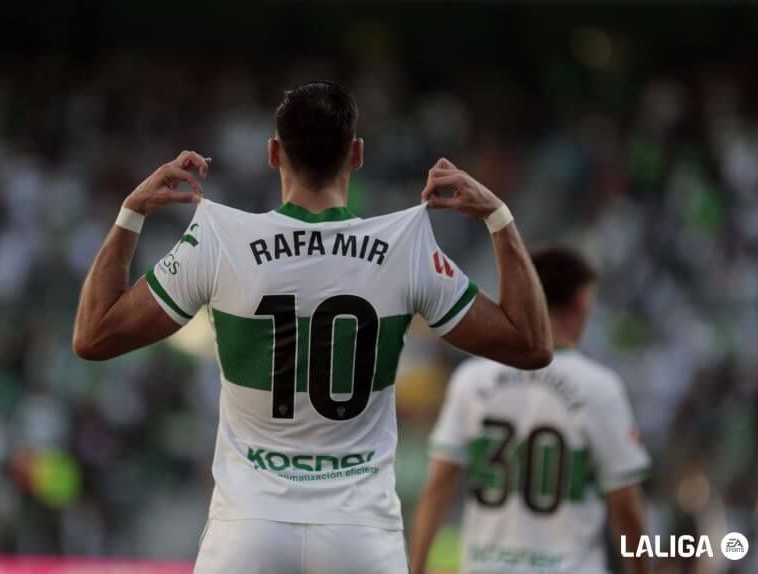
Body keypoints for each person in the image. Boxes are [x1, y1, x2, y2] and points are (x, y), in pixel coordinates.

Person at [73, 81, 552, 574]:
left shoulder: (220, 237)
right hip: (360, 535)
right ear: (357, 154)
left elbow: (94, 334)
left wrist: (131, 213)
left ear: (274, 153)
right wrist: (499, 218)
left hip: (247, 531)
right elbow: (531, 344)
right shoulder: (406, 246)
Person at [410, 247, 651, 574]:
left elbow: (439, 484)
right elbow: (626, 505)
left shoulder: (472, 379)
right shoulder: (600, 389)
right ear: (581, 302)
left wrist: (416, 566)